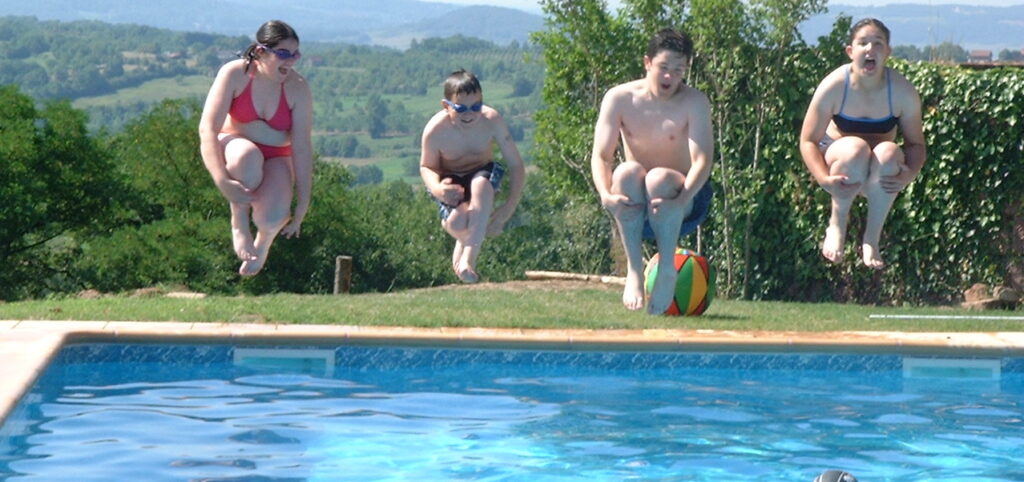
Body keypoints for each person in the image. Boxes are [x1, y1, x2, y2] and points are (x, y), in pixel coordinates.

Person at [590, 28, 714, 314]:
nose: (670, 77)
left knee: (658, 177)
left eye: (678, 70)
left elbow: (703, 160)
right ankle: (634, 271)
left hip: (683, 202)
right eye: (663, 68)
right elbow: (601, 155)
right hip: (637, 203)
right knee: (625, 173)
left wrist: (682, 200)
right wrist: (605, 195)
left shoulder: (694, 102)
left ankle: (667, 268)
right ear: (647, 62)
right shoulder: (619, 98)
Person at [799, 18, 926, 269]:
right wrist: (823, 179)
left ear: (887, 52)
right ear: (850, 51)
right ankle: (837, 224)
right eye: (863, 43)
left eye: (878, 44)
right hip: (840, 161)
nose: (870, 49)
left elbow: (916, 145)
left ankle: (872, 239)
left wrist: (910, 174)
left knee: (890, 152)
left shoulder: (902, 92)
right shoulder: (835, 86)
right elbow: (807, 141)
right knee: (855, 148)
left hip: (877, 171)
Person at [199, 20, 314, 276]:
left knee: (273, 218)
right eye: (283, 54)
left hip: (277, 155)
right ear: (261, 52)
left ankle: (263, 243)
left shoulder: (298, 88)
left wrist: (303, 204)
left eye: (295, 54)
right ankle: (239, 222)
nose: (291, 61)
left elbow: (302, 149)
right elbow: (207, 129)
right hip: (235, 144)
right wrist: (222, 181)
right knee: (247, 157)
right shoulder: (235, 74)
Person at [419, 70, 526, 283]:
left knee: (481, 187)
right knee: (459, 224)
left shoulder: (491, 120)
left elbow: (516, 165)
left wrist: (508, 207)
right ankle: (464, 237)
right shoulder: (435, 130)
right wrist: (439, 190)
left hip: (482, 171)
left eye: (476, 106)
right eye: (461, 108)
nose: (470, 114)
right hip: (449, 180)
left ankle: (468, 260)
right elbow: (426, 167)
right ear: (446, 106)